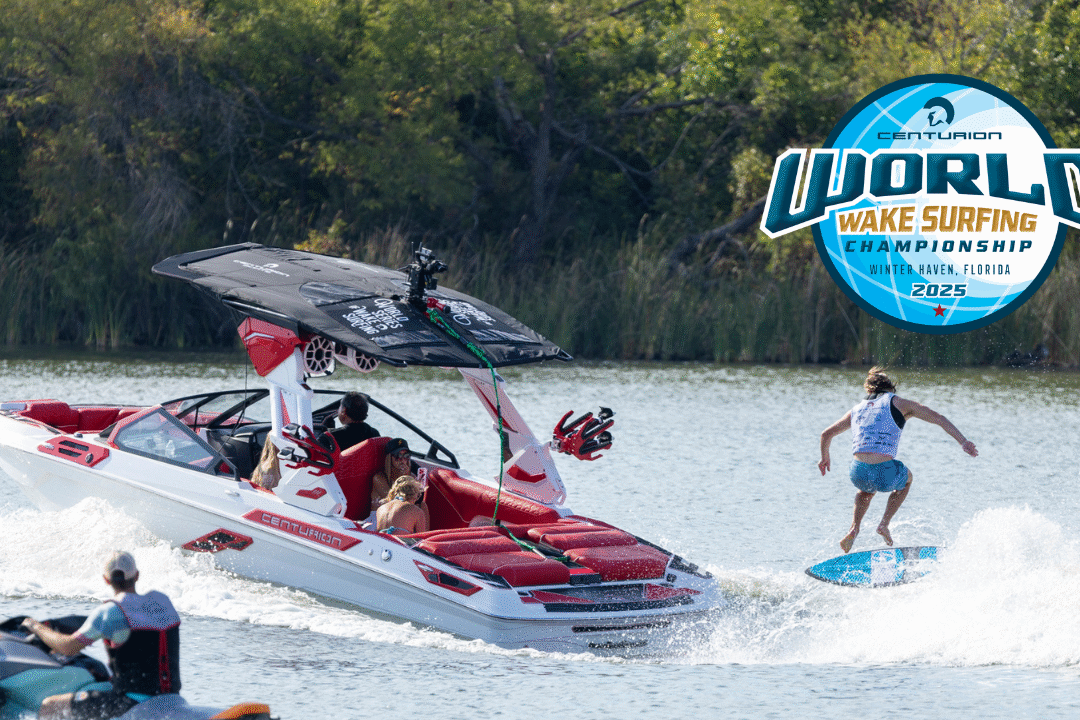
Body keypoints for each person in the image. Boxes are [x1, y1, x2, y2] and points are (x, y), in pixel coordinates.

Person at [818, 366, 978, 553]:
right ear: (890, 388)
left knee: (865, 491)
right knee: (907, 479)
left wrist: (825, 458)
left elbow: (826, 434)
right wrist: (963, 441)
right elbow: (938, 418)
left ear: (869, 389)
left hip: (857, 472)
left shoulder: (857, 409)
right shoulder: (899, 403)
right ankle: (884, 524)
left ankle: (854, 528)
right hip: (884, 472)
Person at [21, 551, 181, 720]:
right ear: (137, 576)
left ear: (106, 580)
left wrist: (35, 626)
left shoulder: (110, 612)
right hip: (171, 697)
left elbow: (67, 647)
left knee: (50, 706)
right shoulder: (163, 602)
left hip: (131, 702)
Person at [370, 438, 430, 528]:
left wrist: (420, 489)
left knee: (422, 505)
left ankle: (423, 537)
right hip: (380, 518)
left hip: (400, 516)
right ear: (389, 458)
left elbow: (415, 502)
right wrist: (405, 476)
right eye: (398, 456)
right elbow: (395, 500)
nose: (402, 460)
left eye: (406, 456)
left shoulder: (412, 477)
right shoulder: (379, 478)